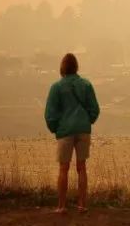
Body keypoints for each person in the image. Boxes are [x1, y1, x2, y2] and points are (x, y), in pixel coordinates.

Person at [44, 53, 100, 214]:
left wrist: (56, 128)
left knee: (63, 168)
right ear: (76, 67)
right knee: (81, 167)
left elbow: (50, 114)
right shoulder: (86, 85)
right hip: (83, 129)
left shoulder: (56, 87)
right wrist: (87, 121)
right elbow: (95, 109)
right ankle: (82, 205)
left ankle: (62, 206)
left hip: (65, 131)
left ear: (62, 68)